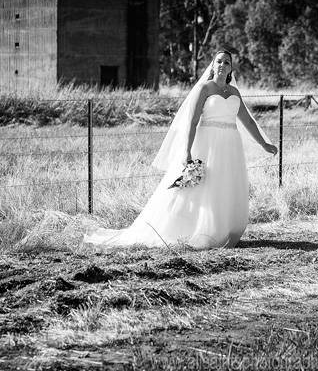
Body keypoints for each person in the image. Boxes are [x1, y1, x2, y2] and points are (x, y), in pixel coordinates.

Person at [84, 50, 278, 249]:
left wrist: (264, 143)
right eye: (219, 61)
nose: (222, 65)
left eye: (227, 62)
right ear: (212, 65)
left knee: (224, 186)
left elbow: (247, 121)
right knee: (195, 189)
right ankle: (194, 230)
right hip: (207, 144)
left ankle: (223, 230)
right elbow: (192, 122)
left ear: (231, 68)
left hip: (230, 146)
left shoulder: (234, 93)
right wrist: (186, 151)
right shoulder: (204, 88)